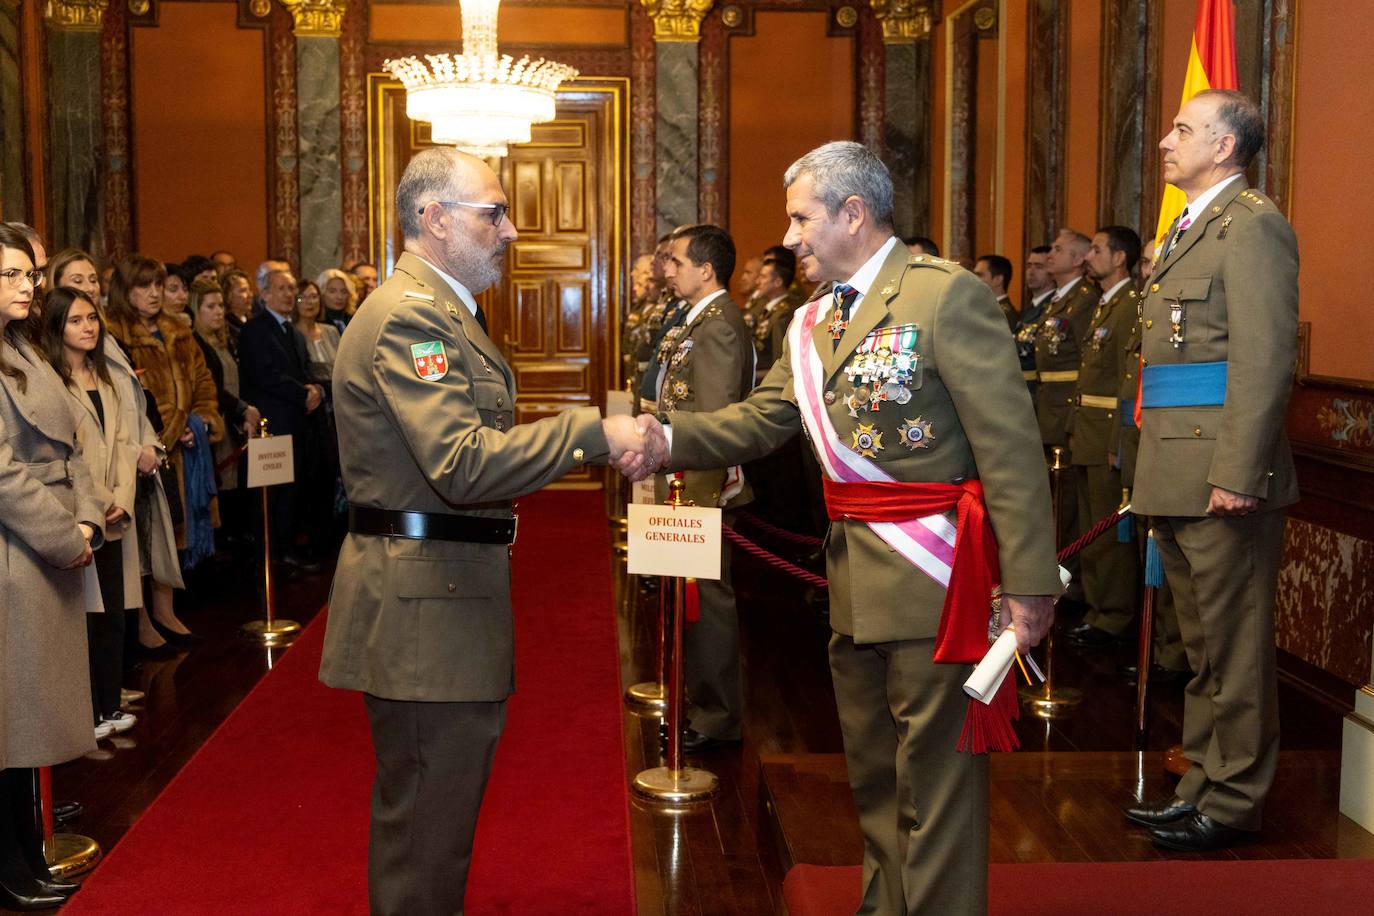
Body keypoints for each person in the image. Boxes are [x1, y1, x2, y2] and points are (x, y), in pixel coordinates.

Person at [632, 142, 1058, 915]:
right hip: (853, 581)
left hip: (937, 581)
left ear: (853, 213)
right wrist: (664, 439)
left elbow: (1010, 449)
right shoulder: (812, 321)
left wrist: (1029, 587)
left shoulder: (943, 297)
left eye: (801, 218)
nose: (789, 237)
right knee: (875, 777)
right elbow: (762, 419)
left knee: (935, 784)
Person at [317, 147, 647, 916]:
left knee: (436, 821)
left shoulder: (440, 311)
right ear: (434, 218)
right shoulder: (411, 317)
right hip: (423, 607)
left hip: (438, 593)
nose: (509, 231)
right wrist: (592, 432)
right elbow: (461, 464)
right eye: (492, 213)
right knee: (427, 830)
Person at [1124, 89, 1299, 852]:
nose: (1166, 141)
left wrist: (1238, 472)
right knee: (1200, 648)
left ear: (1225, 146)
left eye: (1183, 129)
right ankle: (1200, 779)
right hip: (1175, 467)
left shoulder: (1252, 225)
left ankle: (1234, 800)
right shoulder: (1194, 226)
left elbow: (1264, 359)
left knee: (1235, 648)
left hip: (1222, 474)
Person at [0, 225, 103, 909]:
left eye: (28, 274)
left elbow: (73, 443)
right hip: (16, 553)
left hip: (49, 543)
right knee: (9, 727)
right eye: (10, 275)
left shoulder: (23, 347)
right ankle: (11, 869)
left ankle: (28, 857)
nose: (27, 285)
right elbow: (4, 476)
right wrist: (66, 535)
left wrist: (88, 516)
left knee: (24, 728)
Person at [654, 224, 754, 751]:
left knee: (706, 606)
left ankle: (715, 717)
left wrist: (699, 495)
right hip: (684, 480)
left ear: (706, 269)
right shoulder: (701, 318)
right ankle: (693, 701)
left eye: (676, 261)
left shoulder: (717, 325)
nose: (667, 271)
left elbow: (716, 422)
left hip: (699, 486)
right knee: (686, 602)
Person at [39, 287, 140, 740]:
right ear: (56, 327)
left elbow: (126, 444)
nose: (88, 327)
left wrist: (123, 498)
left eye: (92, 318)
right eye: (76, 320)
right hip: (80, 514)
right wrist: (100, 503)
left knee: (113, 614)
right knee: (84, 617)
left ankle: (109, 704)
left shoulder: (108, 376)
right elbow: (70, 455)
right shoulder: (52, 381)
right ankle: (88, 714)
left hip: (116, 515)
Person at [106, 256, 223, 643]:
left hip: (181, 452)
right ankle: (143, 623)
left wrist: (201, 419)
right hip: (141, 452)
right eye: (144, 286)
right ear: (125, 290)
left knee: (171, 534)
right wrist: (165, 433)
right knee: (143, 540)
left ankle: (165, 612)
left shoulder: (178, 329)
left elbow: (203, 380)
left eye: (158, 285)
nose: (154, 293)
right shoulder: (113, 331)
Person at [1064, 227, 1142, 648]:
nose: (1088, 257)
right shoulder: (1105, 304)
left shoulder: (1129, 305)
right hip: (1088, 431)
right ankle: (1096, 608)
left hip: (1107, 433)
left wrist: (1117, 443)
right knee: (1090, 529)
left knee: (1108, 534)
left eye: (1096, 249)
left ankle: (1112, 616)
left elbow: (1126, 383)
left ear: (1119, 258)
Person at [237, 268, 324, 571]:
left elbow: (306, 369)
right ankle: (267, 556)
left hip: (297, 424)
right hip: (270, 426)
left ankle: (286, 551)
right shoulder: (255, 330)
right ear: (265, 294)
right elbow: (265, 375)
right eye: (282, 289)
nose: (289, 294)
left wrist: (315, 390)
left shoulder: (294, 332)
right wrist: (303, 394)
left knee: (291, 492)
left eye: (291, 289)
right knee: (269, 497)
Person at [190, 278, 259, 545]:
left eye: (220, 305)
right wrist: (242, 409)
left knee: (236, 487)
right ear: (196, 309)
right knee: (221, 486)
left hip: (235, 424)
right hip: (216, 424)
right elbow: (213, 387)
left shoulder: (225, 340)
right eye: (211, 306)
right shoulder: (195, 343)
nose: (219, 311)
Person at [973, 254, 1016, 330]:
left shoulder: (1002, 316)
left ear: (998, 280)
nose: (974, 279)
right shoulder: (988, 308)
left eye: (979, 275)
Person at [220, 269, 254, 333]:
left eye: (249, 290)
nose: (250, 295)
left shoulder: (253, 320)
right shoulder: (225, 327)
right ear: (228, 295)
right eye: (243, 290)